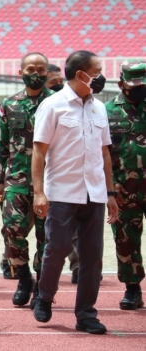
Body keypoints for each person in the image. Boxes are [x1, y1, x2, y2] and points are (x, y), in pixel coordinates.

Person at [31, 50, 118, 334]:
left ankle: (86, 314)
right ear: (81, 74)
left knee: (92, 257)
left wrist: (111, 192)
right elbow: (39, 151)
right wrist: (39, 192)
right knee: (57, 249)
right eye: (97, 70)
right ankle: (44, 296)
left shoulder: (99, 108)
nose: (101, 75)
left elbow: (105, 153)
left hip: (94, 194)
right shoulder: (52, 105)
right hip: (61, 193)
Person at [0, 52, 54, 308]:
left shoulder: (57, 103)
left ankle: (41, 285)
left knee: (46, 235)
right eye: (31, 68)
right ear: (21, 72)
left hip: (50, 180)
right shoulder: (10, 104)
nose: (36, 73)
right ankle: (23, 278)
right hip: (16, 178)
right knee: (13, 229)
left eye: (41, 69)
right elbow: (0, 146)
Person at [106, 59, 146, 310]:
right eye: (135, 85)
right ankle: (132, 288)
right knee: (126, 239)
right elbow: (99, 152)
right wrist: (108, 185)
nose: (140, 89)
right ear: (121, 83)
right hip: (124, 188)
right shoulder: (106, 111)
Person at [46, 65, 80, 283]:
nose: (58, 83)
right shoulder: (47, 105)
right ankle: (14, 265)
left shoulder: (66, 104)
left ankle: (78, 265)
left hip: (61, 173)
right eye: (53, 80)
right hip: (24, 174)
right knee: (18, 227)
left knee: (70, 226)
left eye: (60, 79)